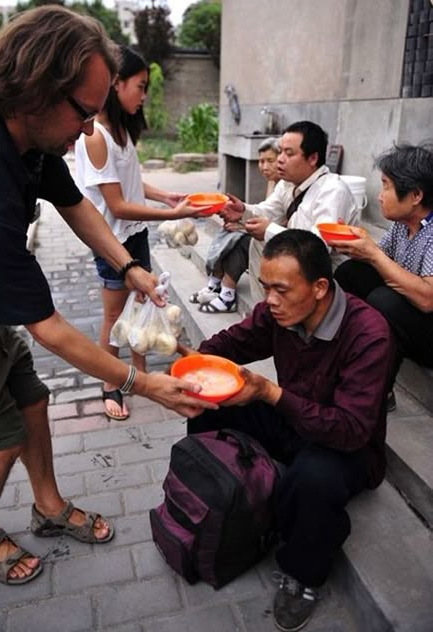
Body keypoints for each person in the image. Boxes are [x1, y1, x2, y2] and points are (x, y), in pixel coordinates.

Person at [0, 6, 215, 587]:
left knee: (30, 398)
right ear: (34, 89)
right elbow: (49, 327)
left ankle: (48, 508)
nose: (91, 126)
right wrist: (144, 383)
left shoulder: (26, 132)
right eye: (85, 111)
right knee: (0, 430)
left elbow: (74, 203)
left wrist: (128, 267)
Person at [179, 230, 395, 631]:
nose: (271, 300)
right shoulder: (275, 314)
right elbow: (230, 344)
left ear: (319, 288)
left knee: (311, 480)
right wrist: (191, 362)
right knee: (209, 406)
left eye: (281, 289)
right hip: (295, 420)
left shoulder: (368, 333)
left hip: (347, 446)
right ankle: (217, 495)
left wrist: (270, 393)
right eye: (265, 288)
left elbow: (350, 429)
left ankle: (303, 575)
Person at [74, 45, 203, 421]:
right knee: (114, 317)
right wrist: (172, 212)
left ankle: (139, 374)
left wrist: (167, 195)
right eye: (140, 86)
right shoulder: (95, 135)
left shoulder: (121, 132)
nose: (144, 95)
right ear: (116, 84)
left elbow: (132, 183)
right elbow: (117, 205)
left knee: (143, 303)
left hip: (135, 235)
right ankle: (110, 383)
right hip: (111, 240)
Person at [333, 143, 433, 411]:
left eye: (386, 185)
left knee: (383, 301)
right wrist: (355, 244)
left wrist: (373, 255)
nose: (380, 196)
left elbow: (427, 299)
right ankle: (345, 357)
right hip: (410, 312)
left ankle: (378, 392)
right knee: (350, 273)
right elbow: (378, 257)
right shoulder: (403, 225)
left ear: (415, 195)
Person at [220, 121, 359, 304]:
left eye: (289, 153)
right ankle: (264, 314)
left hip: (326, 272)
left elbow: (318, 248)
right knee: (257, 242)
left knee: (264, 240)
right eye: (281, 151)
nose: (280, 159)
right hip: (296, 260)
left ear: (312, 159)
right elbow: (268, 211)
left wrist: (269, 231)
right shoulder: (288, 184)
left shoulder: (333, 190)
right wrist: (243, 211)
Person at [189, 137, 281, 313]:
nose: (264, 166)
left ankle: (227, 295)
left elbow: (279, 222)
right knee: (228, 230)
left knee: (239, 240)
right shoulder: (275, 183)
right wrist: (240, 219)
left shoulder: (288, 185)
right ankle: (215, 284)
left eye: (270, 160)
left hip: (278, 240)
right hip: (268, 232)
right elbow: (266, 211)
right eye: (261, 161)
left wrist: (243, 227)